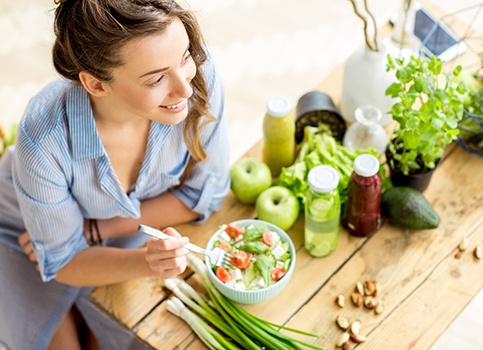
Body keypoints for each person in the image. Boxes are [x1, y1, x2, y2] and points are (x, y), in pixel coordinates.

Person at [0, 0, 230, 348]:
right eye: (155, 79)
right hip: (20, 235)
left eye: (185, 57)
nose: (185, 88)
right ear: (95, 84)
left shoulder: (198, 77)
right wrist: (147, 261)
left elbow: (204, 196)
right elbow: (65, 261)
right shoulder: (42, 136)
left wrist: (97, 229)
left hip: (110, 233)